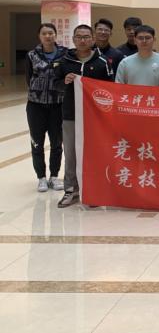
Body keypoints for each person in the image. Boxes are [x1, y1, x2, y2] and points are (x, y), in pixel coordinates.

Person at [55, 25, 114, 208]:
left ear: (93, 39)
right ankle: (71, 190)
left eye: (86, 37)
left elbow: (110, 89)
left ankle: (93, 190)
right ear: (73, 39)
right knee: (71, 153)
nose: (82, 40)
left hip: (95, 118)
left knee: (94, 154)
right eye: (79, 37)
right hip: (70, 115)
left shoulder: (102, 62)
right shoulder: (64, 61)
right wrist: (64, 82)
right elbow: (55, 84)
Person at [25, 23, 67, 192]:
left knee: (56, 142)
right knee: (37, 142)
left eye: (51, 33)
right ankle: (41, 177)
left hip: (58, 105)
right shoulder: (32, 55)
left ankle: (54, 176)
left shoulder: (65, 54)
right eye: (44, 33)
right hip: (36, 106)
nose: (48, 36)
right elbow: (28, 77)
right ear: (39, 36)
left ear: (56, 35)